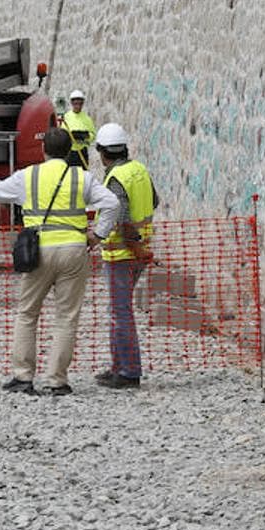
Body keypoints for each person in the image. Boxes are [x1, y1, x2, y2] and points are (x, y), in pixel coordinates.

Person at [0, 127, 118, 395]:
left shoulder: (28, 176)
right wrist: (98, 234)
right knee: (66, 317)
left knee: (27, 313)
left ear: (44, 151)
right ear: (69, 152)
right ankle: (57, 381)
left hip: (39, 249)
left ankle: (23, 377)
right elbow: (111, 203)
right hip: (74, 250)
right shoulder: (81, 177)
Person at [92, 123, 159, 390]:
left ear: (101, 151)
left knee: (121, 312)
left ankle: (129, 372)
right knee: (118, 310)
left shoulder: (116, 178)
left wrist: (136, 248)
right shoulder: (139, 170)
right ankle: (118, 366)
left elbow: (122, 221)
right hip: (135, 252)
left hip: (122, 254)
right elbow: (154, 201)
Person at [59, 90, 95, 169]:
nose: (78, 106)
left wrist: (85, 136)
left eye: (80, 103)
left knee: (83, 174)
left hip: (82, 152)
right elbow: (61, 134)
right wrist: (69, 136)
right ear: (72, 103)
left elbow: (93, 136)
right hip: (69, 152)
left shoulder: (87, 118)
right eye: (76, 103)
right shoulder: (66, 117)